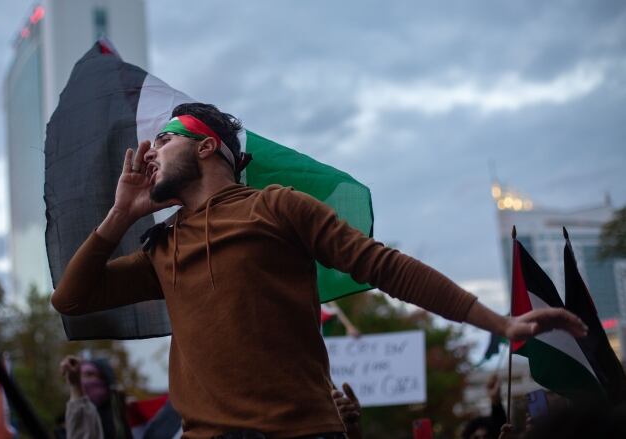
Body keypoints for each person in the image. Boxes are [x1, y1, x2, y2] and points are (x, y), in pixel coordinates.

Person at [52, 103, 588, 438]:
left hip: (302, 432)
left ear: (207, 146)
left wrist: (498, 323)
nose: (149, 154)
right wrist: (120, 214)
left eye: (164, 139)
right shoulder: (162, 246)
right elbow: (71, 300)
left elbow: (384, 266)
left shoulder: (277, 206)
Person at [60, 355, 129, 439]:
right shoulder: (69, 418)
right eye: (81, 376)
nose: (84, 380)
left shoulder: (122, 415)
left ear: (105, 378)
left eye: (89, 374)